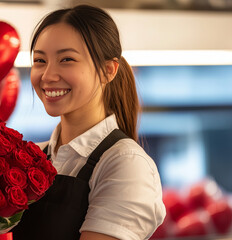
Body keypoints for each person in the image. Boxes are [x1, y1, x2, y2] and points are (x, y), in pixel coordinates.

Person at [11, 4, 166, 240]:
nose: (48, 75)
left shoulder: (125, 164)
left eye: (66, 59)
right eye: (40, 60)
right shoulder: (33, 156)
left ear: (108, 70)